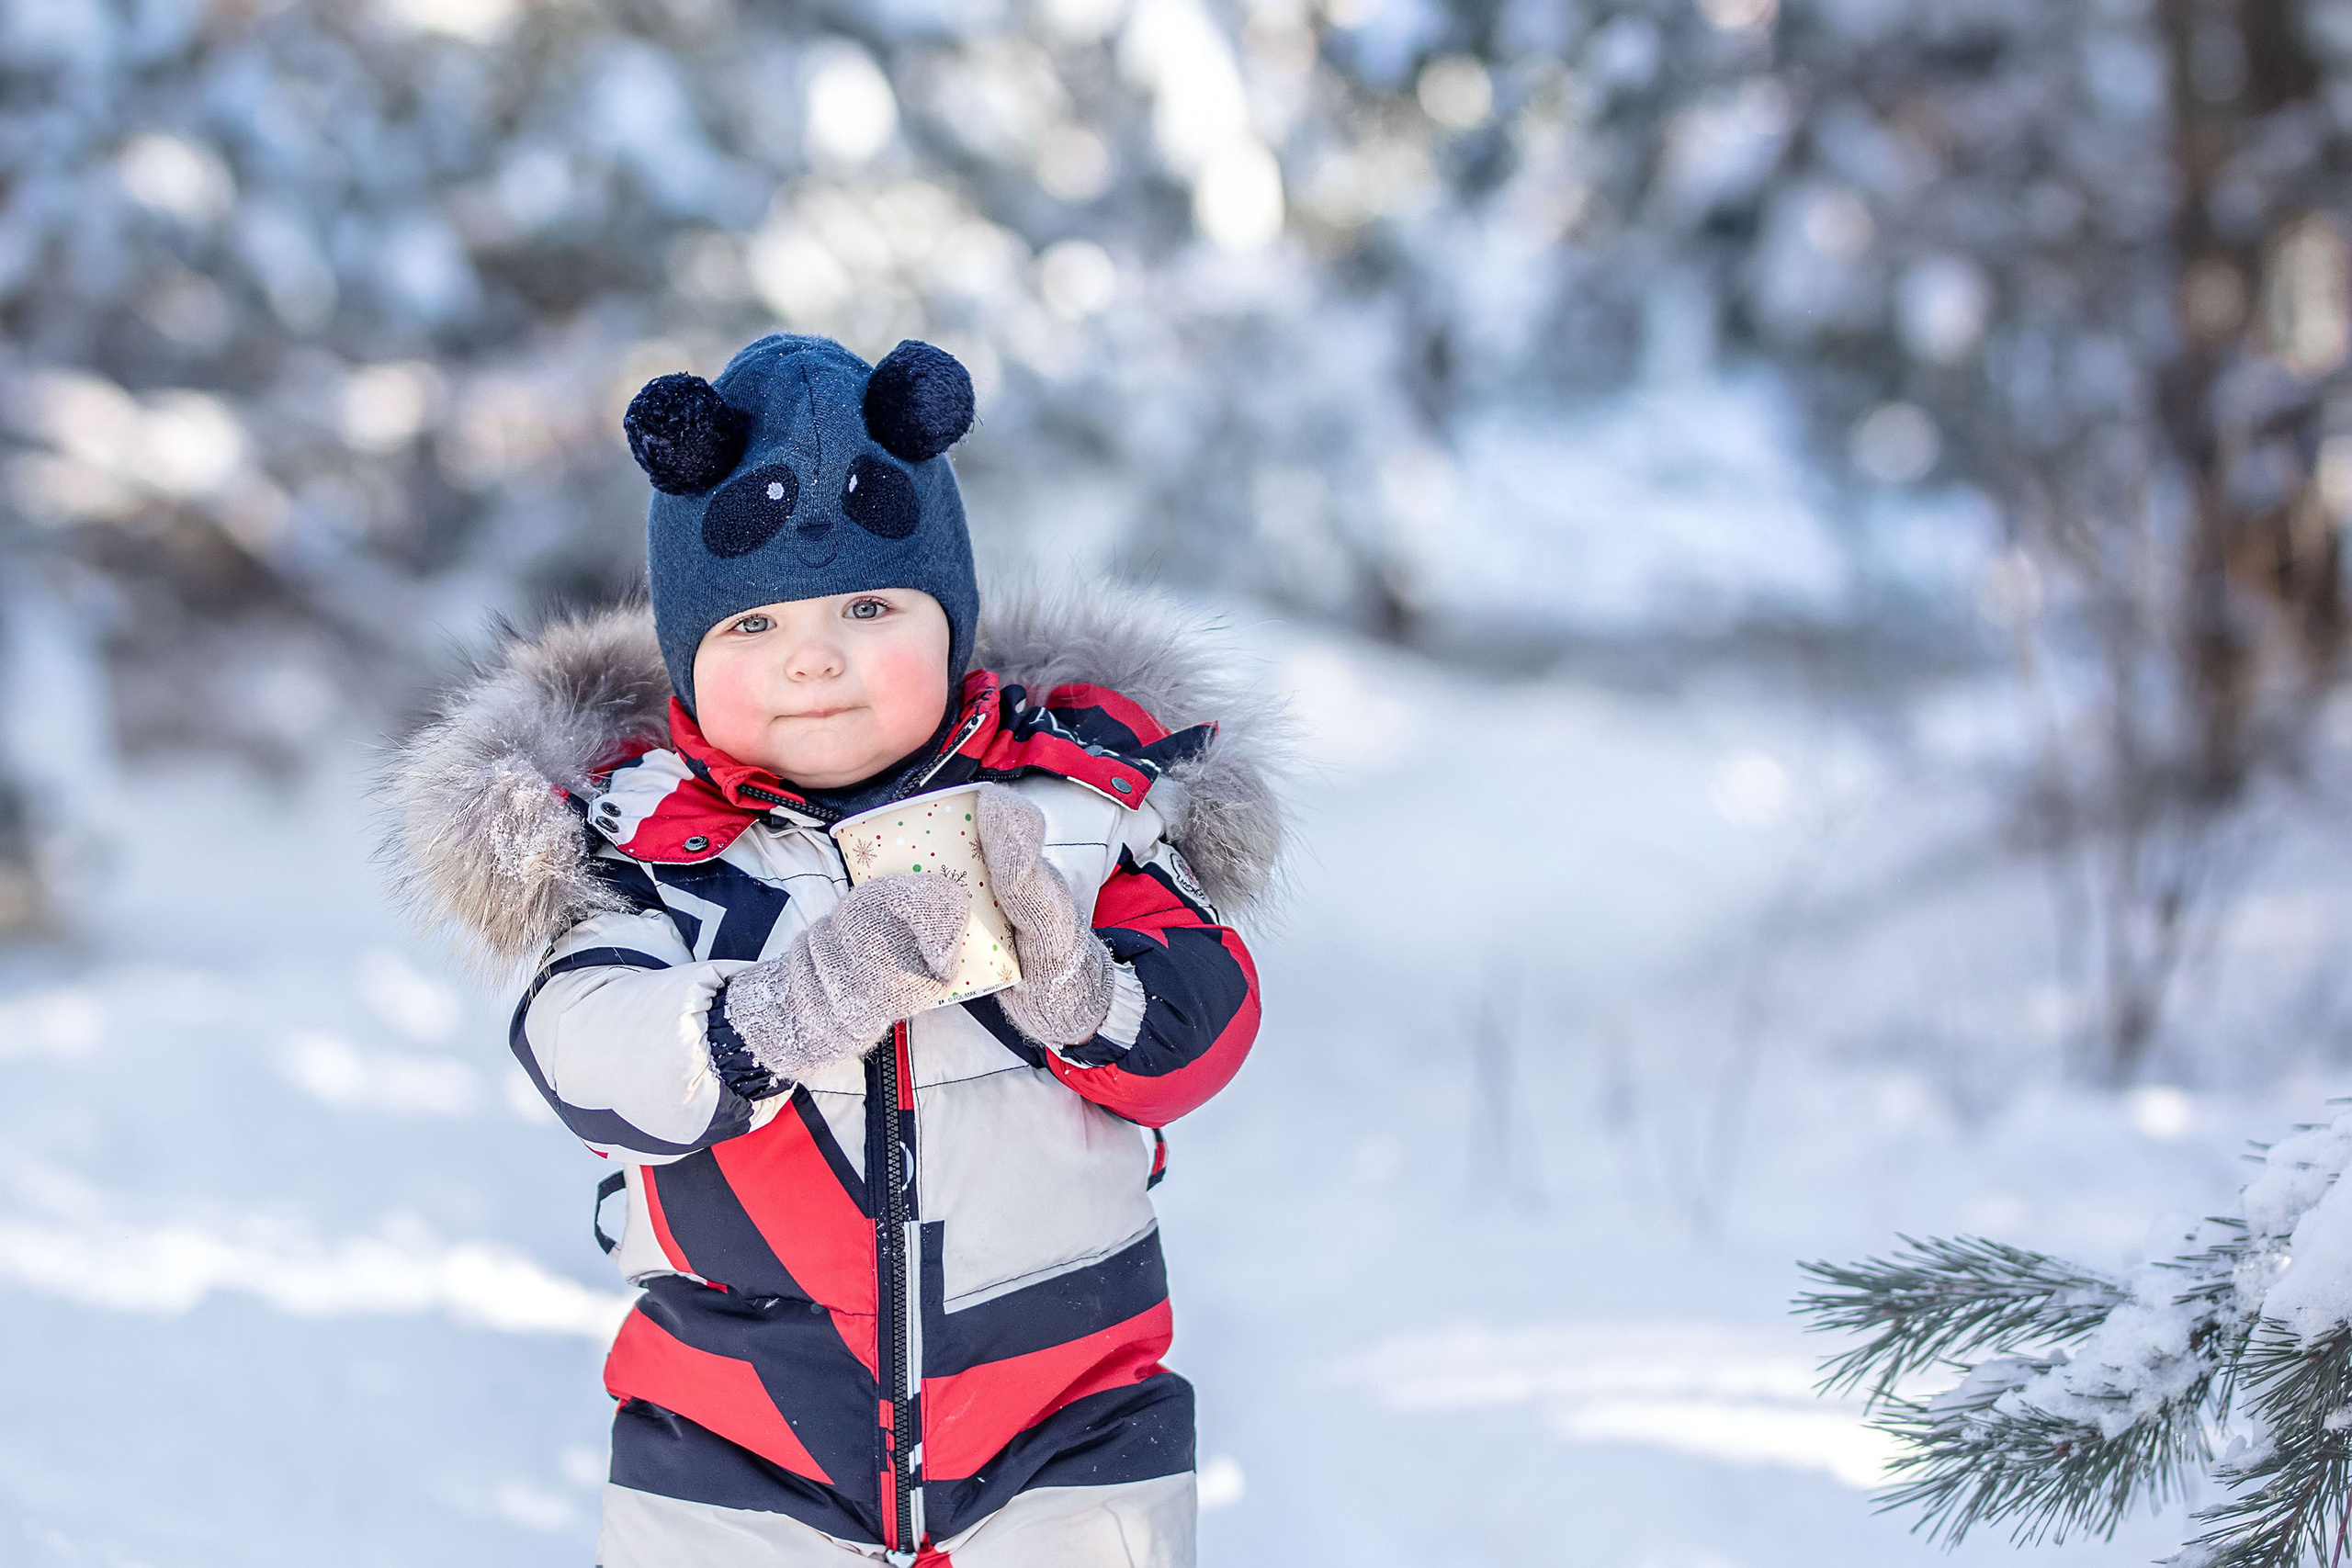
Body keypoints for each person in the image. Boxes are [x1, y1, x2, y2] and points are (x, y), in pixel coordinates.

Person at [386, 333, 1283, 1566]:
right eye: (754, 621)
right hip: (739, 1427)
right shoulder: (648, 846)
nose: (816, 656)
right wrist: (776, 1016)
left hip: (1068, 1418)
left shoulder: (1079, 806)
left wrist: (1082, 985)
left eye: (869, 606)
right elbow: (584, 1049)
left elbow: (1207, 1021)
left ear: (950, 616)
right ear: (690, 659)